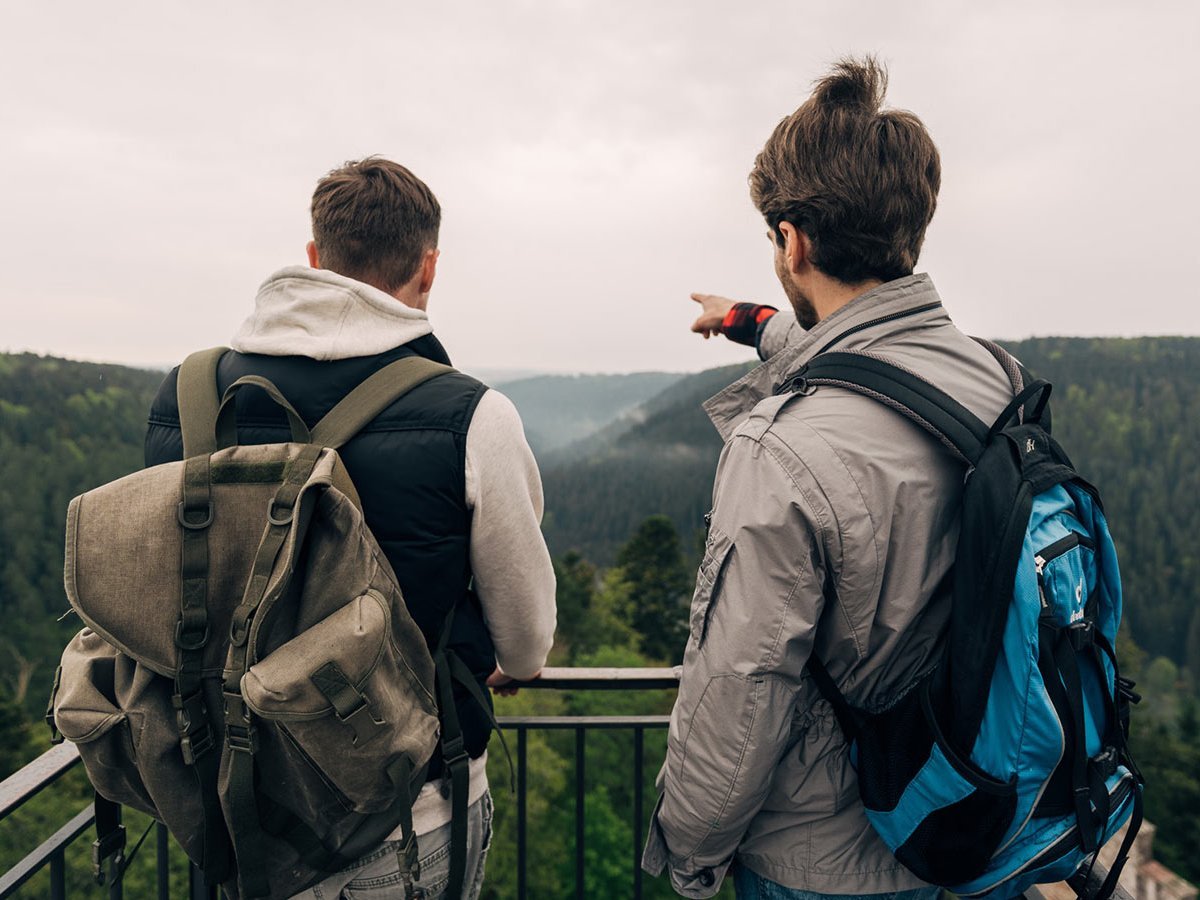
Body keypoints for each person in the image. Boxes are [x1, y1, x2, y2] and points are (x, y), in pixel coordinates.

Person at [642, 57, 1016, 898]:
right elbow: (871, 359)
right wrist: (750, 321)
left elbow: (743, 684)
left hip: (827, 862)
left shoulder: (782, 451)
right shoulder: (998, 382)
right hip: (978, 824)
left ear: (792, 240)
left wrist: (691, 853)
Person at [144, 157, 557, 899]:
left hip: (233, 806)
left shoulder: (186, 396)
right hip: (405, 810)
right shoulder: (472, 416)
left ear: (313, 259)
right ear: (428, 270)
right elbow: (526, 642)